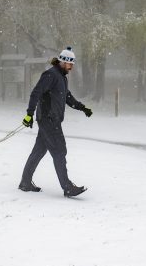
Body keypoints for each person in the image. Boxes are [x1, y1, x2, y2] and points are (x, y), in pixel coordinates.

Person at [19, 47, 93, 197]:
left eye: (72, 64)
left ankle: (25, 182)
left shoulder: (61, 77)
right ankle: (67, 187)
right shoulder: (50, 75)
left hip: (51, 120)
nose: (71, 67)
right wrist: (29, 114)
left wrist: (82, 108)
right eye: (69, 64)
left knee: (38, 151)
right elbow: (36, 93)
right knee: (59, 151)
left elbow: (67, 97)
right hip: (49, 120)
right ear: (62, 62)